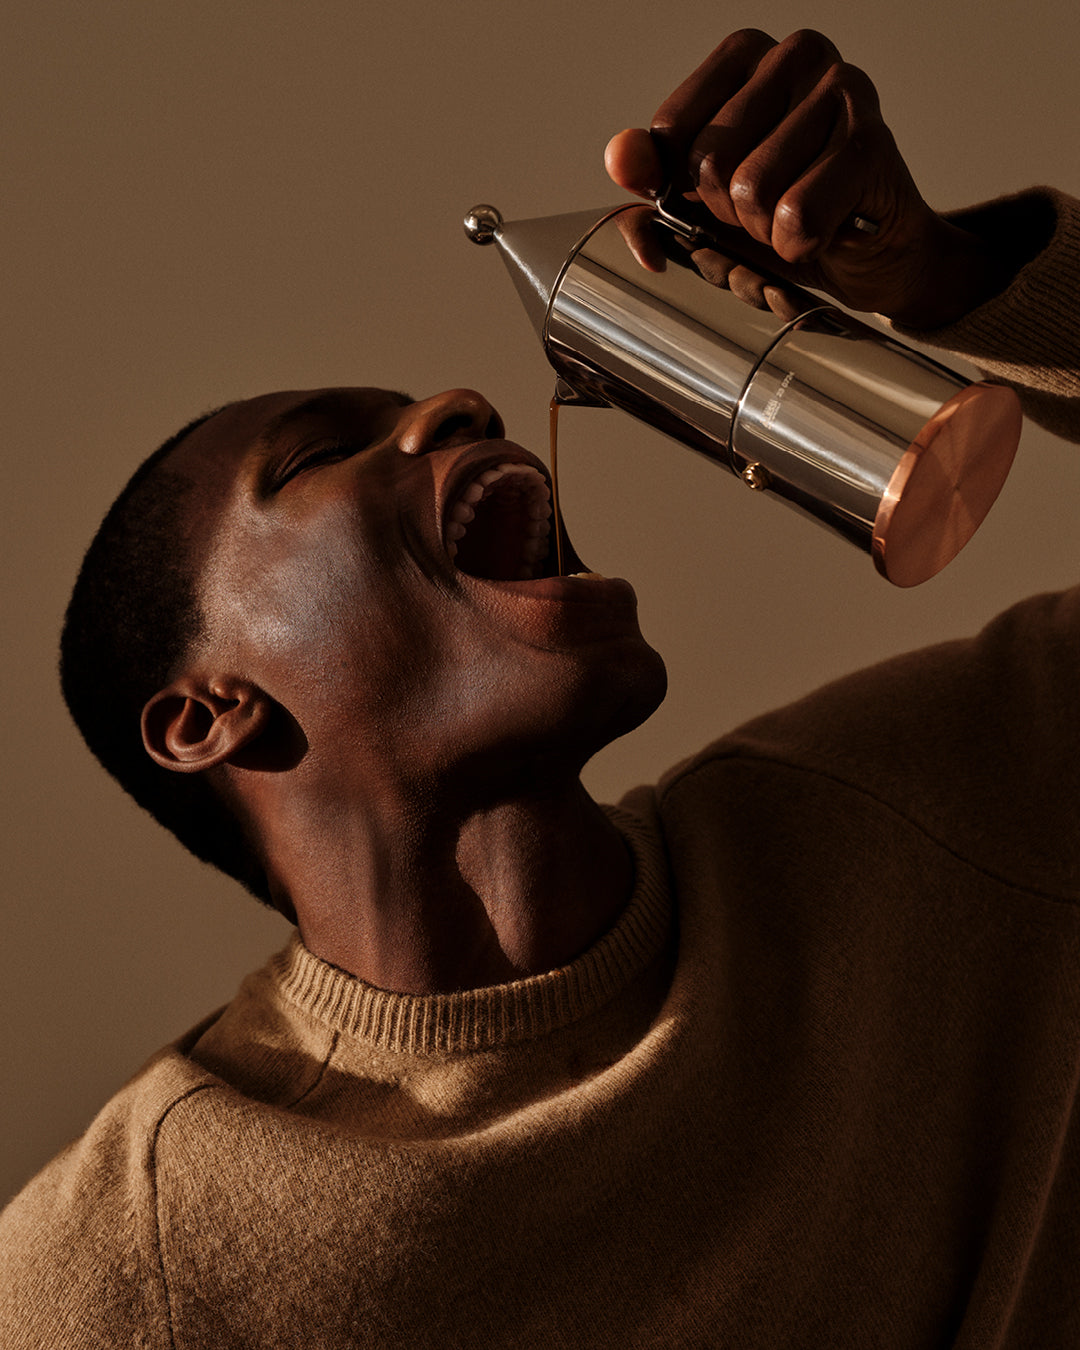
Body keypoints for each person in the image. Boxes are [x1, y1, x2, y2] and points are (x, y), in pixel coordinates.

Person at [2, 27, 1078, 1349]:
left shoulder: (940, 805)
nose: (460, 403)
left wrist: (952, 277)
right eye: (317, 456)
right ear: (206, 714)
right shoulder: (127, 1268)